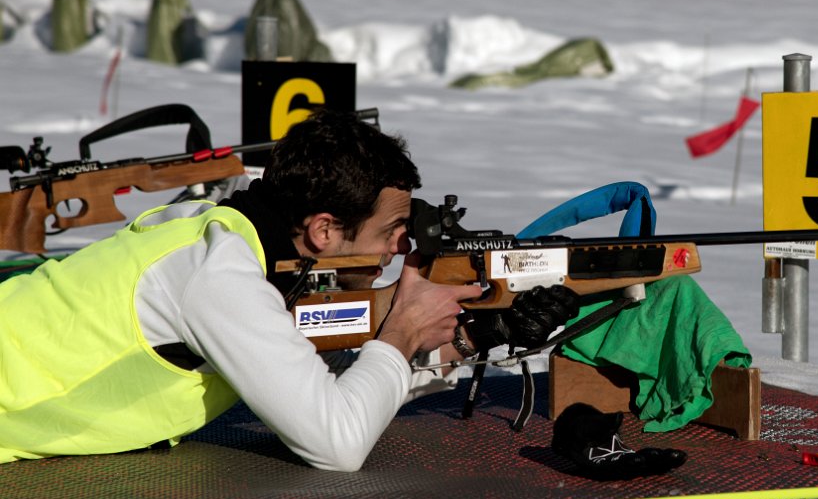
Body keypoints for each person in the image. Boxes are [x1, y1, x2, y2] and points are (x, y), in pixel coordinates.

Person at [0, 108, 573, 471]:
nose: (398, 250)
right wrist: (401, 331)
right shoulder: (219, 278)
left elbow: (319, 368)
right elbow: (337, 441)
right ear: (324, 230)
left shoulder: (234, 233)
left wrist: (467, 341)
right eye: (389, 233)